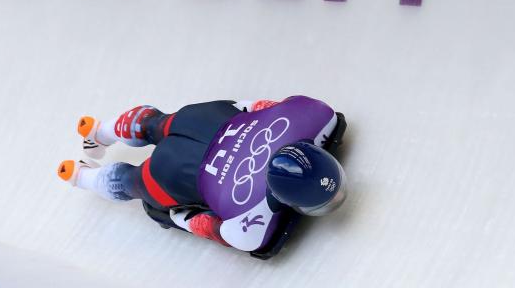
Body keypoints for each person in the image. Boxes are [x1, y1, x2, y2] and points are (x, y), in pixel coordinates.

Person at [57, 97, 346, 251]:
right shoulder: (251, 227)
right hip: (175, 171)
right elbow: (204, 226)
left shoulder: (317, 114)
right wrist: (176, 217)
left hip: (207, 119)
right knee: (135, 182)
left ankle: (100, 130)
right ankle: (82, 177)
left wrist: (240, 112)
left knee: (157, 123)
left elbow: (254, 106)